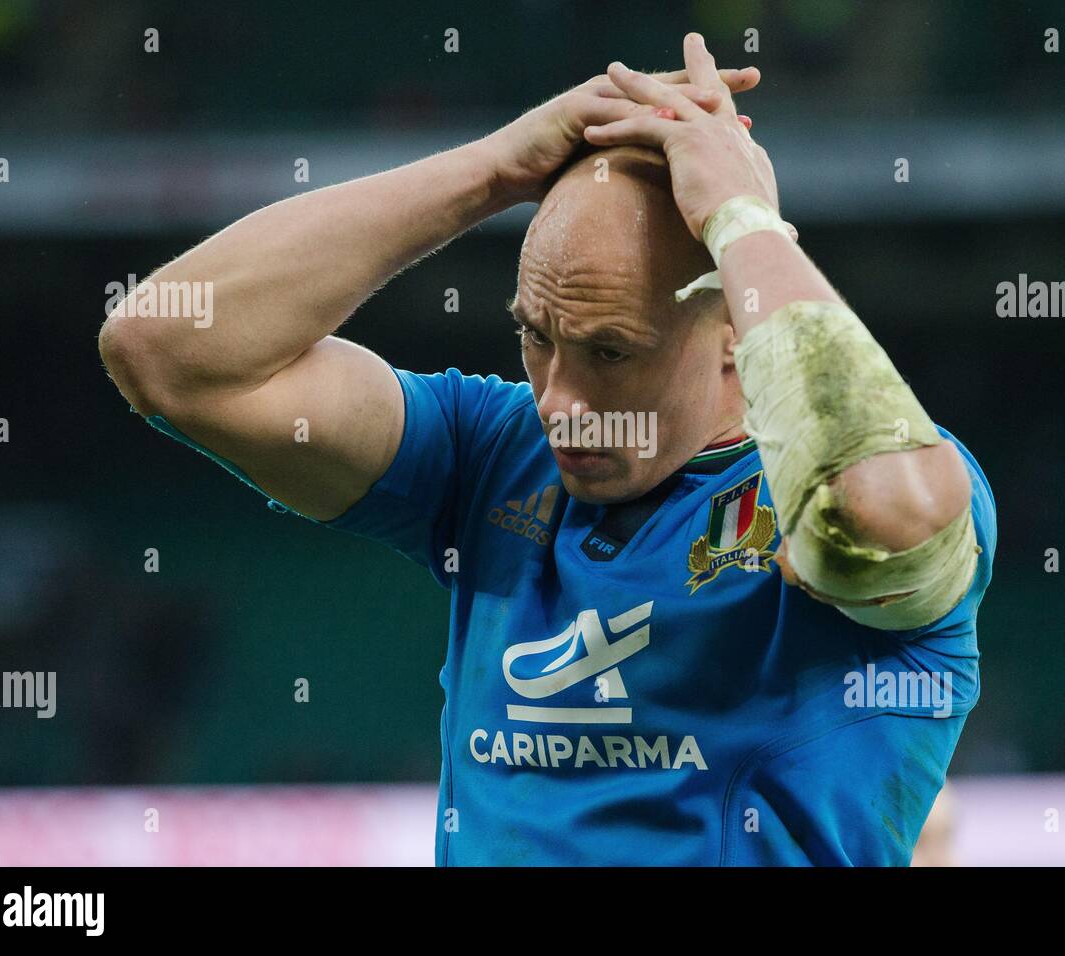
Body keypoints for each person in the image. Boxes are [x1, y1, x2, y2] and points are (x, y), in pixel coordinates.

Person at [99, 33, 996, 865]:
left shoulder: (836, 488)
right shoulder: (488, 450)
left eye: (611, 351)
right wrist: (496, 168)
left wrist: (741, 221)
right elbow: (167, 351)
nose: (559, 403)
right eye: (535, 337)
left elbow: (885, 506)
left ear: (734, 330)